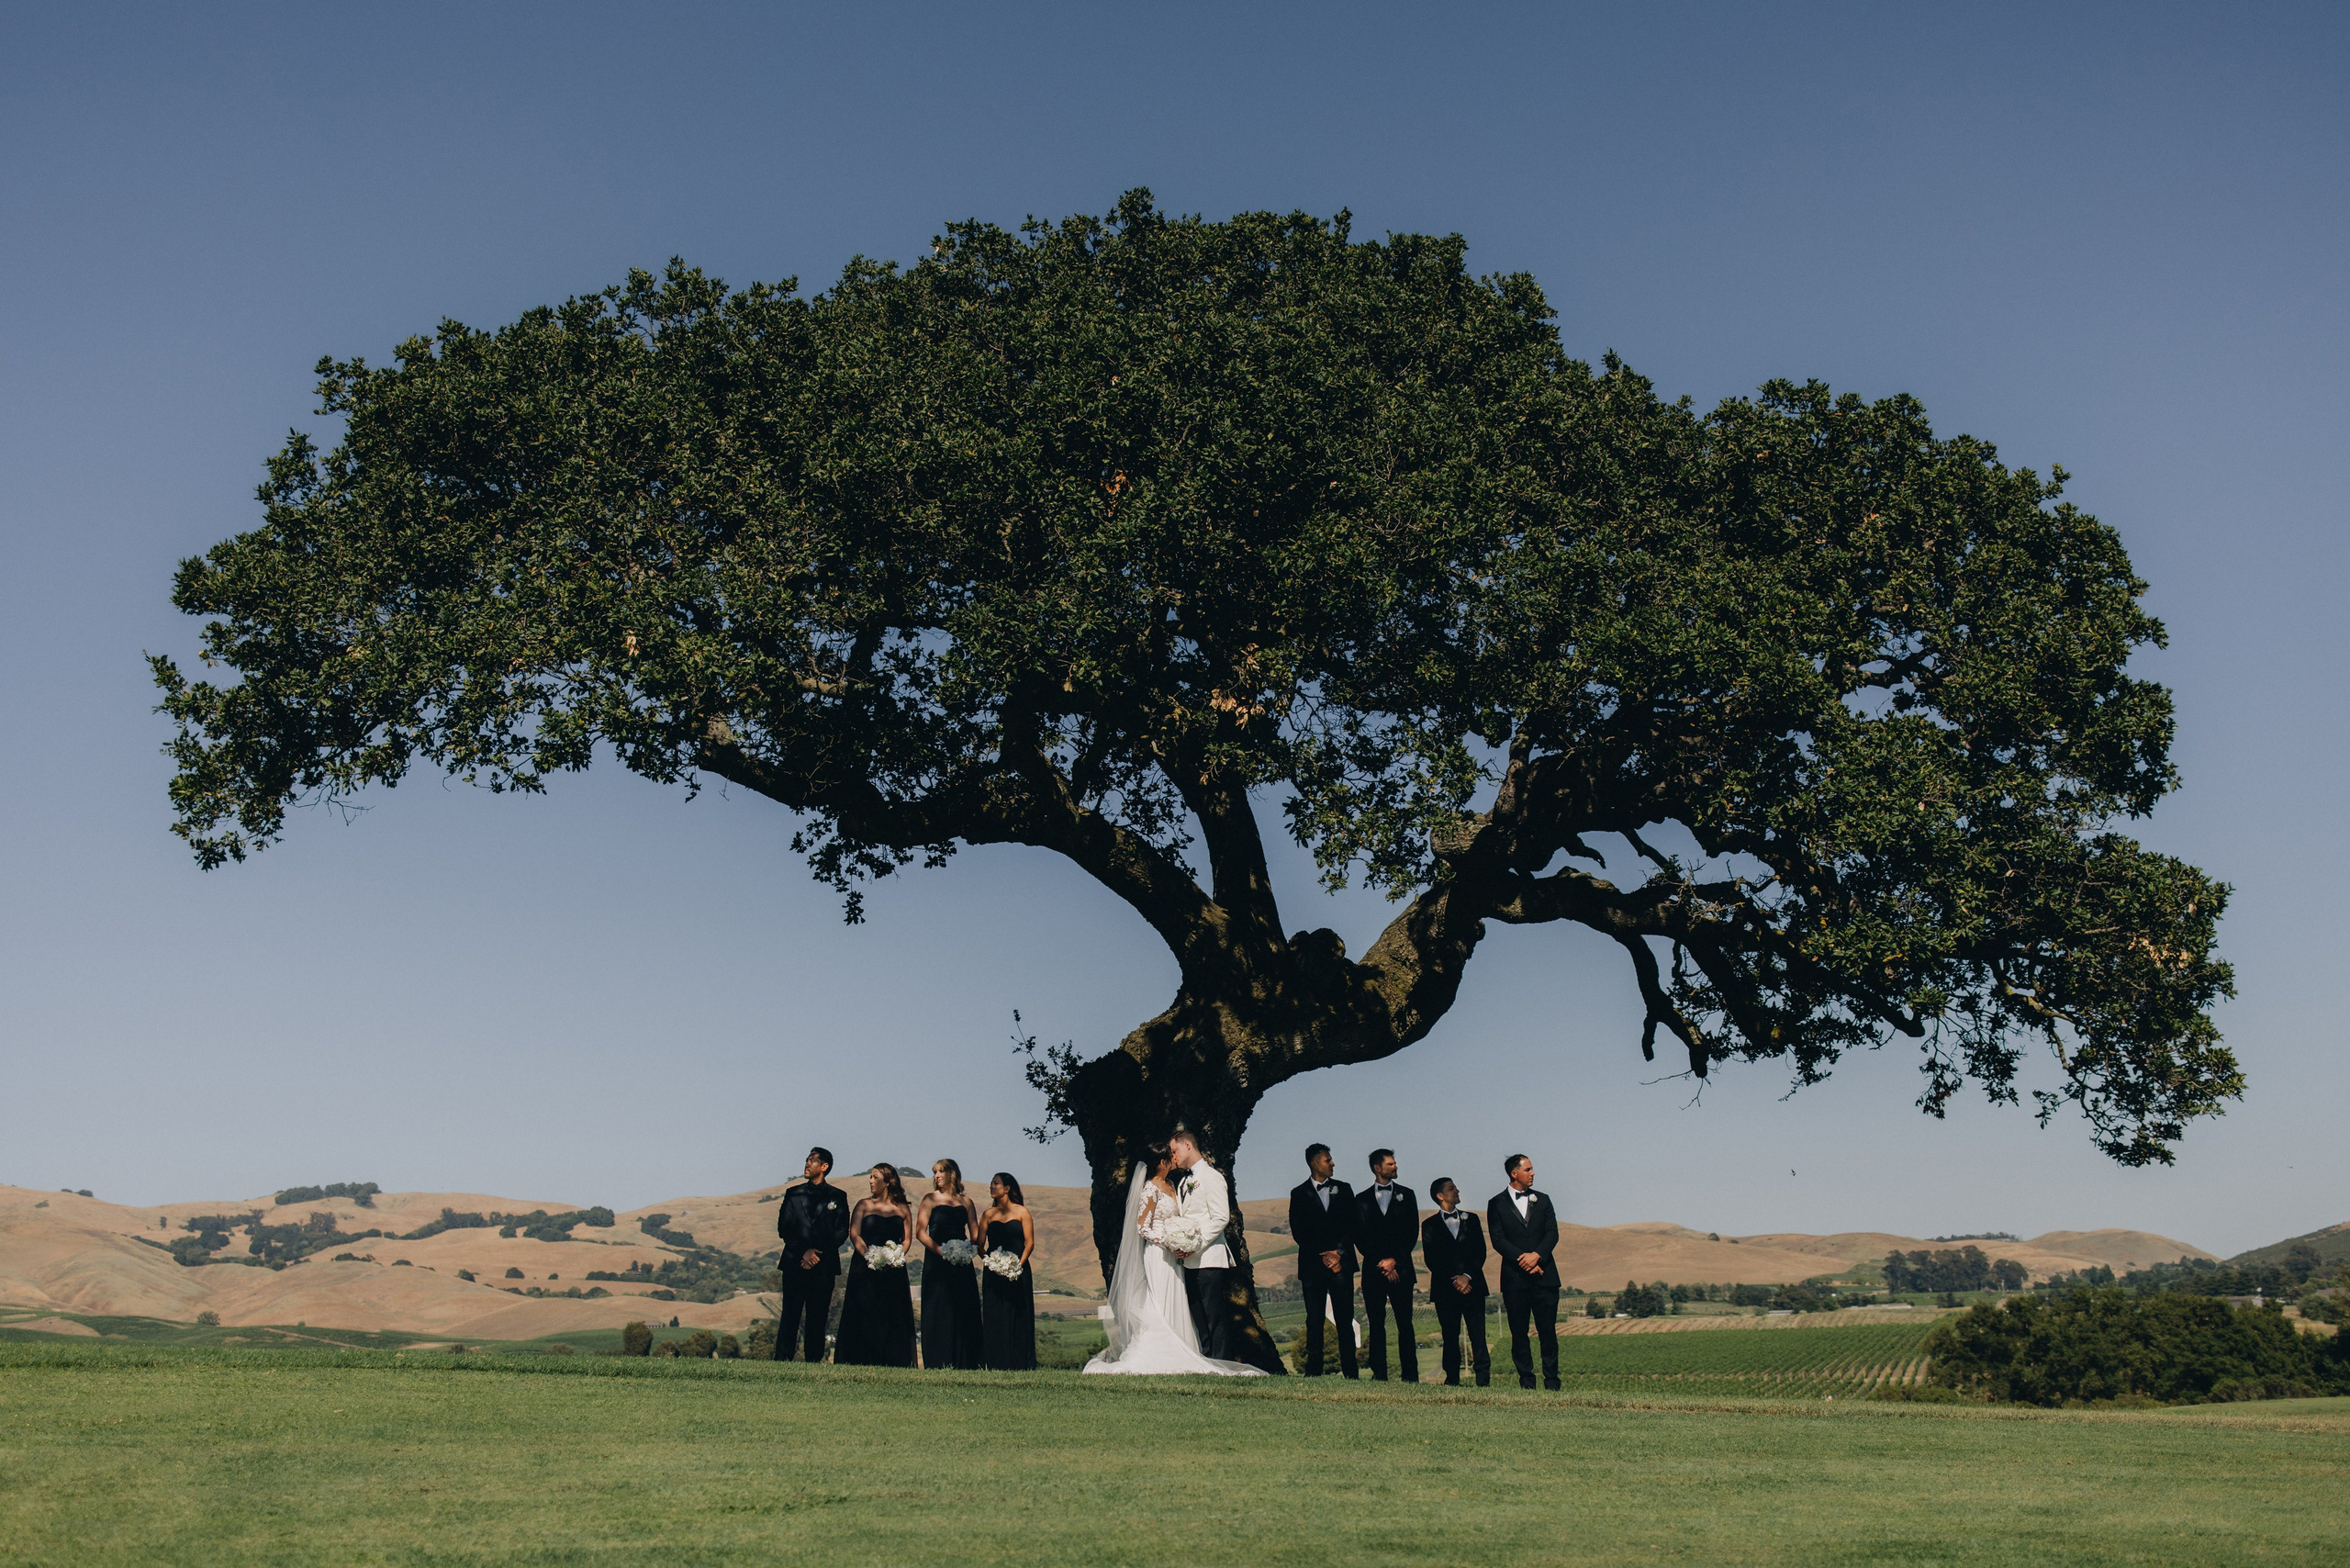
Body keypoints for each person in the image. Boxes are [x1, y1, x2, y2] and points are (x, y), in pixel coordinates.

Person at [1083, 1141, 1266, 1377]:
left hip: (1178, 1256)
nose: (1174, 1158)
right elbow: (1142, 1227)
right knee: (1160, 1302)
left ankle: (1189, 1352)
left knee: (1179, 1301)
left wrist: (1182, 1241)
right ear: (1162, 1162)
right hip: (1160, 1254)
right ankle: (1158, 1352)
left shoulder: (1174, 1184)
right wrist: (1169, 1241)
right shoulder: (1150, 1189)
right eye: (1170, 1156)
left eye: (1175, 1152)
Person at [1163, 1128, 1242, 1361]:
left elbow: (1220, 1218)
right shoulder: (1182, 1181)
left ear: (1187, 1146)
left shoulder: (1212, 1177)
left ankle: (1221, 1362)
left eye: (1174, 1150)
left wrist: (1193, 1244)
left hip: (1209, 1258)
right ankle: (1206, 1359)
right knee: (1198, 1316)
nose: (1172, 1156)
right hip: (1188, 1261)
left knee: (1214, 1316)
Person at [1486, 1153, 1561, 1390]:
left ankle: (1552, 1382)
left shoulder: (1544, 1200)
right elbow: (1498, 1239)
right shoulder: (1496, 1204)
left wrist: (1537, 1256)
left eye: (1532, 1169)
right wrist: (1522, 1259)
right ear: (1514, 1173)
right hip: (1515, 1279)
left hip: (1545, 1276)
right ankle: (1527, 1382)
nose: (1533, 1173)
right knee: (1519, 1332)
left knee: (1547, 1331)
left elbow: (1552, 1233)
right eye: (1528, 1169)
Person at [773, 1146, 851, 1362]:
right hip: (794, 1264)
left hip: (823, 1267)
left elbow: (842, 1231)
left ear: (824, 1167)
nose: (807, 1163)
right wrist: (804, 1252)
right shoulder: (793, 1193)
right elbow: (784, 1228)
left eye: (812, 1160)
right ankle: (782, 1361)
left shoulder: (838, 1196)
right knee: (790, 1315)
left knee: (818, 1317)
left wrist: (818, 1254)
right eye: (807, 1159)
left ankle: (813, 1362)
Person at [1287, 1143, 1359, 1378]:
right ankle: (1313, 1371)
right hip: (1313, 1266)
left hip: (1342, 1263)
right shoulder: (1298, 1194)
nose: (1333, 1163)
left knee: (1345, 1318)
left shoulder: (1345, 1189)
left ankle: (1351, 1371)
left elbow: (1353, 1225)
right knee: (1314, 1318)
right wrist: (1325, 1255)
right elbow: (1300, 1231)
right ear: (1314, 1163)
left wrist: (1338, 1253)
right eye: (1328, 1160)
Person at [834, 1163, 916, 1366]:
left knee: (892, 1312)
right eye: (870, 1177)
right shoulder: (863, 1205)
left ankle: (893, 1359)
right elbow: (855, 1234)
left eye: (874, 1177)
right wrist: (870, 1256)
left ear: (888, 1182)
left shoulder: (903, 1209)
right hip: (865, 1267)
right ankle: (858, 1358)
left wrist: (895, 1257)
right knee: (863, 1310)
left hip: (893, 1269)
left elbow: (907, 1239)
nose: (870, 1181)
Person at [1353, 1148, 1419, 1383]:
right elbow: (1359, 1236)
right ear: (1377, 1168)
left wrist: (1394, 1262)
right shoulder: (1360, 1199)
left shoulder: (1408, 1195)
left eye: (1395, 1163)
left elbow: (1412, 1232)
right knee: (1376, 1324)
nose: (1396, 1167)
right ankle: (1379, 1373)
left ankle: (1410, 1375)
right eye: (1390, 1164)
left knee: (1405, 1323)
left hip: (1402, 1270)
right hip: (1374, 1272)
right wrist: (1381, 1263)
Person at [1420, 1176, 1490, 1386]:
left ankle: (1483, 1381)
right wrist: (1455, 1281)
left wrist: (1467, 1277)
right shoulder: (1429, 1225)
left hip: (1473, 1286)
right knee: (1450, 1336)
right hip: (1445, 1290)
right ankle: (1452, 1380)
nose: (1457, 1190)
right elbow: (1431, 1259)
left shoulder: (1473, 1219)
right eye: (1451, 1188)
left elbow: (1480, 1252)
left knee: (1478, 1335)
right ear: (1440, 1196)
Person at [916, 1158, 984, 1370]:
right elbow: (920, 1233)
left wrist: (971, 1251)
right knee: (938, 1308)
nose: (936, 1176)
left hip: (961, 1261)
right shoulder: (929, 1199)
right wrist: (941, 1251)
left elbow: (975, 1234)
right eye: (934, 1172)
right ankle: (938, 1360)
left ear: (952, 1174)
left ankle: (966, 1361)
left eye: (940, 1172)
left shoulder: (966, 1202)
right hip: (936, 1261)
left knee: (963, 1307)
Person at [979, 1172, 1037, 1370]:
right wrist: (991, 1263)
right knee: (995, 1315)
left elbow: (1029, 1243)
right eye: (991, 1183)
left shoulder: (1022, 1212)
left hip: (1018, 1271)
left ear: (1007, 1188)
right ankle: (997, 1363)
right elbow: (979, 1244)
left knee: (1019, 1314)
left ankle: (1021, 1363)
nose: (991, 1187)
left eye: (996, 1183)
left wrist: (1017, 1265)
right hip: (993, 1272)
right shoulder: (987, 1214)